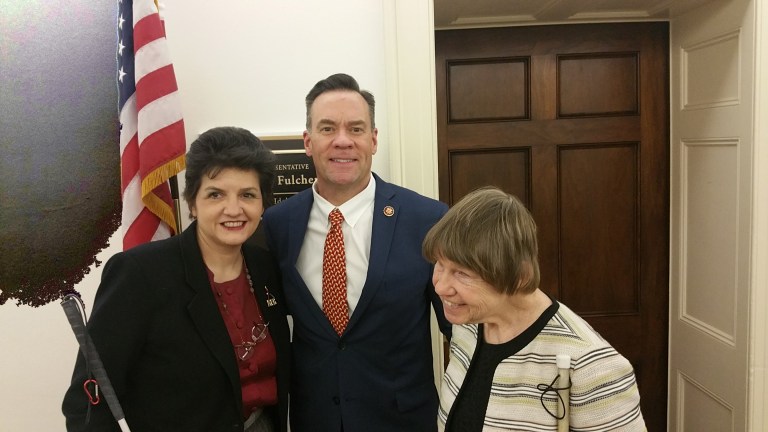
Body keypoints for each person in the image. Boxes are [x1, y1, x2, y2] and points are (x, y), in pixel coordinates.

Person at [62, 127, 290, 432]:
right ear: (193, 203)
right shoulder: (139, 274)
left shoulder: (266, 268)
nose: (233, 209)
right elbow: (87, 401)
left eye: (247, 195)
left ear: (262, 203)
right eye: (215, 194)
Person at [261, 73, 451, 432]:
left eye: (356, 129)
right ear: (308, 141)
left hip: (403, 421)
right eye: (328, 128)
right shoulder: (277, 224)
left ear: (374, 140)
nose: (343, 141)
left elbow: (461, 330)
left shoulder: (427, 219)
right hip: (314, 420)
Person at [422, 186, 647, 432]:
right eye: (440, 265)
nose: (441, 287)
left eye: (462, 273)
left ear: (519, 276)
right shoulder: (469, 327)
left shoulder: (592, 368)